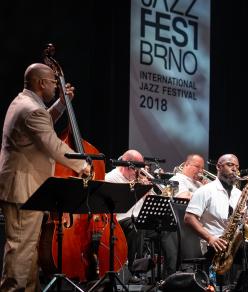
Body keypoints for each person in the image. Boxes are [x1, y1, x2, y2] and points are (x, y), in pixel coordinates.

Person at [0, 63, 90, 291]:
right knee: (21, 249)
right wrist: (82, 165)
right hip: (24, 188)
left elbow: (44, 123)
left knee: (28, 250)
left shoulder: (25, 102)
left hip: (26, 187)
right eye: (53, 82)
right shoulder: (32, 109)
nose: (56, 86)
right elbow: (53, 144)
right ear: (41, 83)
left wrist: (61, 104)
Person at [184, 154, 248, 292]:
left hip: (234, 242)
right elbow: (189, 218)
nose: (234, 169)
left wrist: (245, 219)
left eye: (237, 166)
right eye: (230, 165)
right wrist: (210, 238)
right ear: (218, 167)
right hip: (214, 244)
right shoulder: (205, 191)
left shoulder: (238, 193)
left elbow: (246, 222)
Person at [108, 149, 177, 281]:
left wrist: (147, 190)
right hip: (121, 220)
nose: (139, 173)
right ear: (127, 166)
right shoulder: (111, 178)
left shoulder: (138, 178)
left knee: (169, 228)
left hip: (142, 220)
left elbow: (155, 202)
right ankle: (134, 270)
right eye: (137, 169)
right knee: (136, 225)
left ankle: (170, 273)